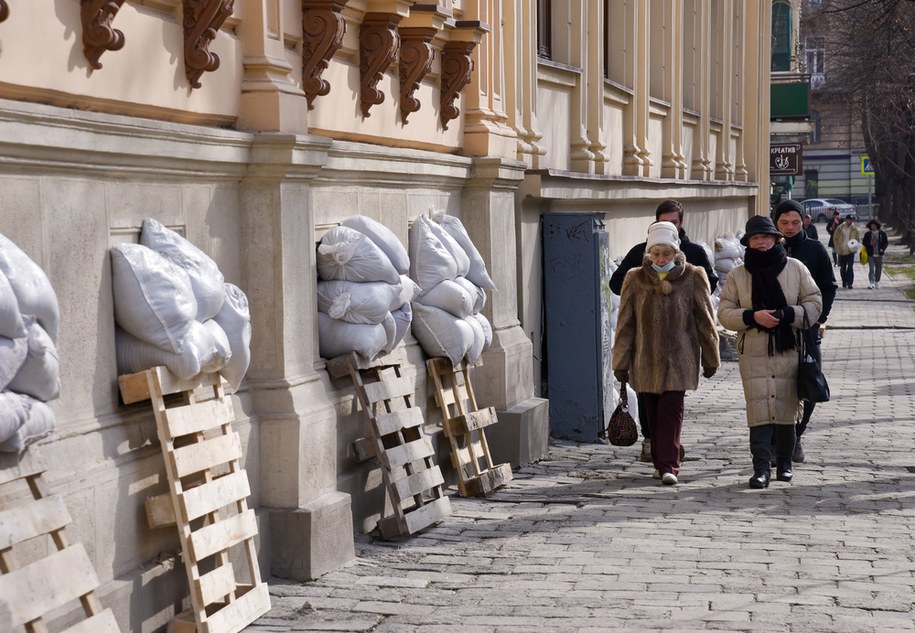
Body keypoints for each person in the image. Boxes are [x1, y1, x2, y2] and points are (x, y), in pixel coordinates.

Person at [717, 216, 822, 489]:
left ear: (777, 240)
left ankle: (784, 464)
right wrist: (753, 317)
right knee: (759, 410)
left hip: (789, 350)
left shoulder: (795, 268)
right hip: (753, 351)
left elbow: (814, 302)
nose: (762, 243)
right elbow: (724, 312)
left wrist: (789, 314)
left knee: (786, 409)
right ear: (749, 244)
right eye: (755, 239)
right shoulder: (739, 274)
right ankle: (761, 468)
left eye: (766, 238)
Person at [609, 200, 718, 462]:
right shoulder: (639, 255)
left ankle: (668, 457)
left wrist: (685, 305)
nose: (661, 258)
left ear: (682, 223)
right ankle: (653, 442)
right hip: (645, 348)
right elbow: (618, 288)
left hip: (680, 346)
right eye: (664, 220)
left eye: (675, 221)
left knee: (672, 404)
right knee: (649, 400)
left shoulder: (694, 255)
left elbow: (708, 293)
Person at [773, 200, 837, 463]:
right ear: (776, 222)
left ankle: (797, 435)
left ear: (804, 221)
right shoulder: (768, 248)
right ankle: (776, 442)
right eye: (784, 223)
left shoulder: (814, 249)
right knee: (776, 386)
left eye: (795, 222)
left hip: (807, 329)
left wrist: (818, 318)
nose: (789, 228)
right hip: (775, 329)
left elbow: (829, 286)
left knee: (810, 382)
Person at [833, 214, 861, 288]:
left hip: (850, 251)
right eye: (849, 220)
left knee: (850, 267)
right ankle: (844, 281)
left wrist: (855, 248)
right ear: (846, 220)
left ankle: (850, 283)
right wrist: (837, 247)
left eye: (851, 220)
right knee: (842, 268)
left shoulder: (854, 229)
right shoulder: (840, 228)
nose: (850, 221)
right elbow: (835, 238)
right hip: (842, 251)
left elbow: (857, 239)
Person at [862, 219, 889, 289]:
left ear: (877, 226)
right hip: (870, 254)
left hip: (879, 254)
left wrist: (882, 249)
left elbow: (886, 243)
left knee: (879, 268)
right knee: (871, 269)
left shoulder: (882, 234)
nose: (872, 227)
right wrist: (869, 244)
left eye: (874, 225)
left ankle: (877, 281)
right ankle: (872, 282)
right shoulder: (868, 234)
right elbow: (864, 242)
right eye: (871, 225)